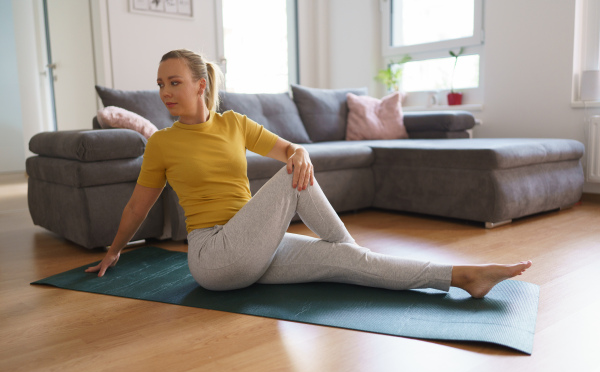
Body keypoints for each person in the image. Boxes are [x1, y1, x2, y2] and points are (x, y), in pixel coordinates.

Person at [86, 49, 531, 298]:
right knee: (295, 182)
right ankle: (353, 250)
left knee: (330, 225)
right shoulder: (163, 142)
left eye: (174, 82)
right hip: (214, 256)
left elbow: (290, 149)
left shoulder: (235, 123)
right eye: (161, 83)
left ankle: (461, 277)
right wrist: (115, 251)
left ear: (201, 85)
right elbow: (136, 206)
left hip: (256, 244)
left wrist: (300, 152)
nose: (164, 91)